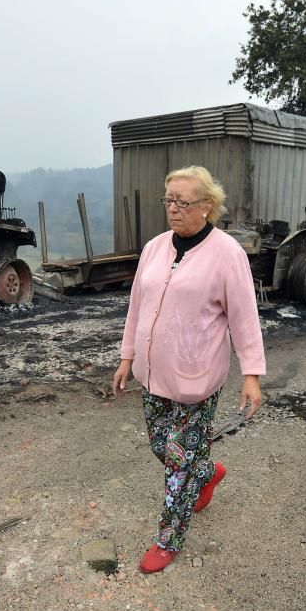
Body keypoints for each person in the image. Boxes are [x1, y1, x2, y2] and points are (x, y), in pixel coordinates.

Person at [113, 165, 266, 574]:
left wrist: (251, 374)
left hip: (198, 378)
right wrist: (127, 357)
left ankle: (168, 538)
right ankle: (207, 471)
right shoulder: (154, 248)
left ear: (208, 206)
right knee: (162, 447)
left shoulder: (226, 253)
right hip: (153, 373)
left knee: (178, 462)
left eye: (184, 202)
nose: (174, 209)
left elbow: (244, 317)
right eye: (169, 201)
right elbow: (137, 307)